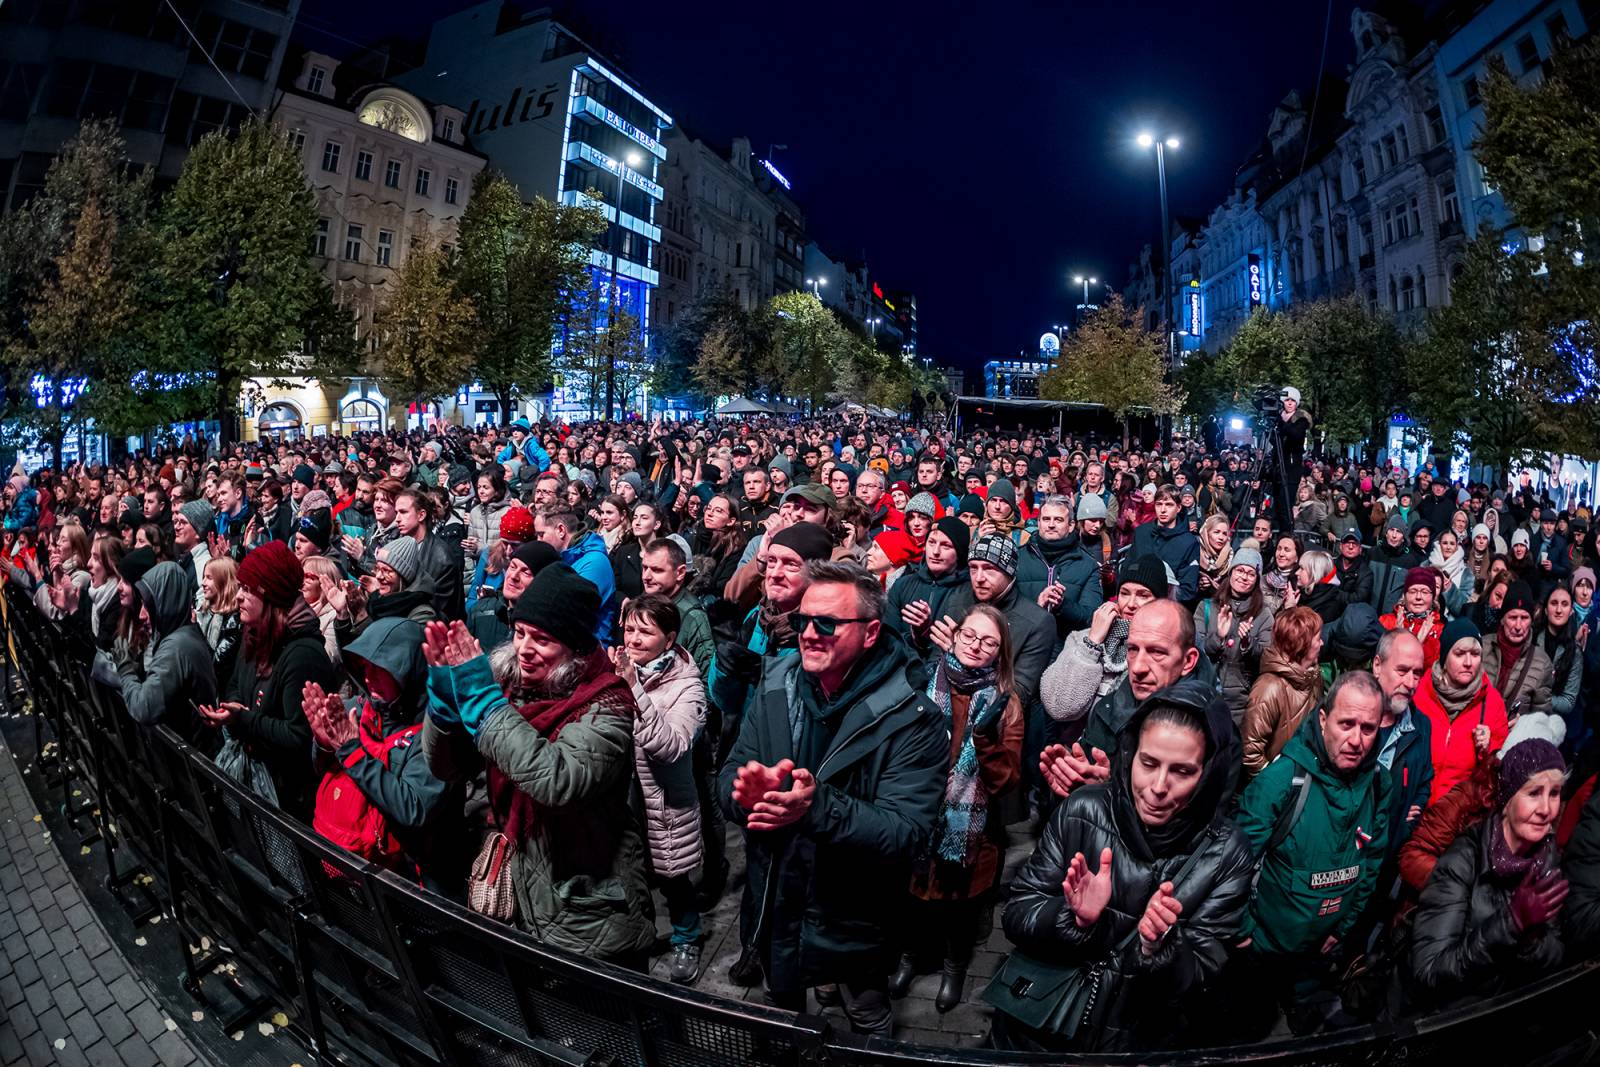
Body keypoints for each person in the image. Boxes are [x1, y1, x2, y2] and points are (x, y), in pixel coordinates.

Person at [718, 561, 948, 1036]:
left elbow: (907, 833)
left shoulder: (911, 714)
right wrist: (747, 800)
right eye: (803, 621)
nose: (809, 634)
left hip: (852, 913)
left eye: (828, 623)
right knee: (780, 1017)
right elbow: (729, 778)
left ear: (870, 633)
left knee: (865, 1014)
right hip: (775, 898)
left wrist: (814, 807)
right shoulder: (777, 683)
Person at [992, 677, 1254, 1052]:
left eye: (1182, 771)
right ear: (1131, 755)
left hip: (1133, 1044)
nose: (1158, 786)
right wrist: (1072, 917)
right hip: (1037, 1032)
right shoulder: (1083, 810)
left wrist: (1160, 947)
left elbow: (1202, 974)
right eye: (1148, 763)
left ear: (1209, 774)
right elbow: (1017, 914)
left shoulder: (1228, 854)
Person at [420, 565, 656, 965]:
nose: (524, 648)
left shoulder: (608, 705)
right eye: (520, 632)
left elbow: (555, 780)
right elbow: (448, 767)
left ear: (575, 648)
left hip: (588, 912)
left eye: (542, 639)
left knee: (597, 1022)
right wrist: (444, 711)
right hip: (525, 893)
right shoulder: (514, 689)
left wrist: (482, 703)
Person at [1233, 671, 1390, 1036]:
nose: (1356, 740)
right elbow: (1232, 864)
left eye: (1367, 729)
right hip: (1263, 952)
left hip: (1319, 955)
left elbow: (1371, 862)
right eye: (1345, 724)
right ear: (1323, 720)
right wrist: (1244, 933)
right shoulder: (1283, 780)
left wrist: (1344, 927)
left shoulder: (1379, 785)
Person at [890, 604, 1024, 1013]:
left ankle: (954, 969)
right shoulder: (924, 682)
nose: (976, 646)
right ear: (956, 634)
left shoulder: (1007, 704)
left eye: (988, 642)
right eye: (970, 635)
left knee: (960, 910)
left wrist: (985, 740)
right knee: (912, 900)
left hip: (972, 831)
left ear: (1000, 653)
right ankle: (908, 959)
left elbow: (1006, 783)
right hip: (919, 815)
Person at [306, 617, 464, 894]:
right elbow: (322, 772)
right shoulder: (359, 709)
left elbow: (413, 808)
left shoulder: (438, 733)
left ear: (410, 671)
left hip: (416, 884)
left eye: (382, 670)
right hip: (357, 869)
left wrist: (351, 751)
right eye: (364, 667)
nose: (369, 678)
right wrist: (324, 744)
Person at [1407, 738, 1566, 1009]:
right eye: (1533, 793)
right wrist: (1510, 924)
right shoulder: (1465, 859)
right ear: (1507, 800)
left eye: (1554, 793)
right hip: (1439, 1019)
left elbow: (1556, 957)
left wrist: (1529, 940)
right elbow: (1429, 969)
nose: (1546, 809)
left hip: (1494, 1016)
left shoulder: (1547, 859)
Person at [197, 540, 339, 820]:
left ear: (271, 595)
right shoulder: (253, 632)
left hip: (288, 799)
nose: (238, 597)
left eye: (247, 590)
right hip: (257, 777)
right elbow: (237, 683)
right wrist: (232, 709)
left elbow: (299, 736)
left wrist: (244, 719)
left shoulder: (303, 655)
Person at [611, 594, 707, 983]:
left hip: (664, 802)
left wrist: (632, 686)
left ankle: (687, 939)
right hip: (625, 798)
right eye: (630, 629)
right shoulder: (620, 668)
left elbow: (671, 746)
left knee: (674, 880)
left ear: (669, 640)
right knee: (632, 874)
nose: (633, 639)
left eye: (645, 632)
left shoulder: (688, 687)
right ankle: (641, 936)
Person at [1040, 595, 1209, 798]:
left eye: (1156, 652)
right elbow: (1089, 777)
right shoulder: (1109, 708)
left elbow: (1193, 814)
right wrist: (1074, 777)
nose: (1137, 667)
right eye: (1132, 649)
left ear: (1188, 661)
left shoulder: (1209, 727)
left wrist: (1109, 789)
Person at [933, 533, 1055, 708]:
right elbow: (932, 662)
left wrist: (962, 657)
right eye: (973, 568)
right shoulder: (956, 601)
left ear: (1010, 571)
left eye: (989, 568)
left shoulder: (1038, 622)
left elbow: (1019, 695)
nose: (979, 578)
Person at [1413, 618, 1510, 804]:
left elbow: (1500, 767)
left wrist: (1488, 747)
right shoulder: (1421, 692)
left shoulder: (1492, 702)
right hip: (1415, 805)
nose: (1468, 662)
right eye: (1459, 654)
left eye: (1475, 654)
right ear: (1444, 657)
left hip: (1457, 813)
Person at [1242, 606, 1325, 777]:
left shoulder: (1314, 676)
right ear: (1302, 645)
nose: (1322, 643)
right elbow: (1250, 754)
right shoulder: (1268, 689)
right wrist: (1277, 785)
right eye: (1318, 639)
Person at [1195, 545, 1274, 725]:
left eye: (1250, 573)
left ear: (1256, 579)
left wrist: (1248, 644)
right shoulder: (1206, 608)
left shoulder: (1263, 614)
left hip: (1241, 702)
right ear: (1231, 573)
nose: (1244, 577)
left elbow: (1267, 658)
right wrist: (1218, 637)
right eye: (1239, 570)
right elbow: (1195, 650)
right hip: (1205, 694)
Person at [1015, 495, 1103, 640]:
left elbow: (1091, 617)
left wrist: (1063, 605)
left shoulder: (1088, 565)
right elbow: (1005, 611)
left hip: (1065, 653)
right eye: (1046, 519)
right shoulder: (1018, 558)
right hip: (1023, 647)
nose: (1051, 525)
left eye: (1058, 520)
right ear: (1038, 522)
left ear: (1071, 525)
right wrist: (1037, 607)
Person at [533, 503, 616, 644]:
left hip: (588, 651)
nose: (538, 541)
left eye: (541, 535)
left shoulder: (594, 562)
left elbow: (570, 612)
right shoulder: (560, 559)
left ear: (561, 530)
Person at [885, 516, 969, 647]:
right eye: (931, 542)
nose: (935, 552)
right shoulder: (903, 584)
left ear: (960, 553)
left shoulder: (969, 592)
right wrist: (916, 636)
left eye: (946, 546)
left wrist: (925, 633)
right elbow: (889, 638)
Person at [1480, 580, 1555, 721]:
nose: (1518, 626)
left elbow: (1542, 718)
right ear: (1502, 619)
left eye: (1525, 618)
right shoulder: (1481, 647)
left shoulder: (1542, 663)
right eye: (1513, 617)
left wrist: (1523, 726)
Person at [1130, 485, 1200, 605]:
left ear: (1178, 508)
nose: (1162, 510)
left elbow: (1188, 590)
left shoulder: (1189, 542)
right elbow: (1130, 567)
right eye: (1159, 504)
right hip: (1136, 605)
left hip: (1168, 609)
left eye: (1168, 505)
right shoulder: (1141, 533)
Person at [1380, 567, 1446, 671]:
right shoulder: (1386, 622)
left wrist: (1420, 646)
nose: (1418, 597)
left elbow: (1434, 671)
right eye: (1413, 591)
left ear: (1433, 597)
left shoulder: (1440, 630)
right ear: (1404, 595)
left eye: (1425, 592)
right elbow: (1380, 662)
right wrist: (1395, 639)